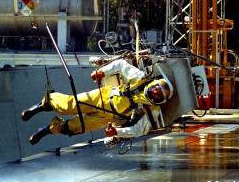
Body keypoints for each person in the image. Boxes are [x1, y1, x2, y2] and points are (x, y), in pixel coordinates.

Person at [21, 58, 174, 145]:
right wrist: (102, 72)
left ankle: (46, 130)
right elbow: (121, 65)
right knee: (69, 105)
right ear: (155, 83)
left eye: (158, 95)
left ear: (160, 101)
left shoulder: (152, 110)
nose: (155, 93)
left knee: (75, 127)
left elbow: (139, 130)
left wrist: (117, 132)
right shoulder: (140, 78)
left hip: (107, 118)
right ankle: (41, 106)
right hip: (102, 97)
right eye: (156, 89)